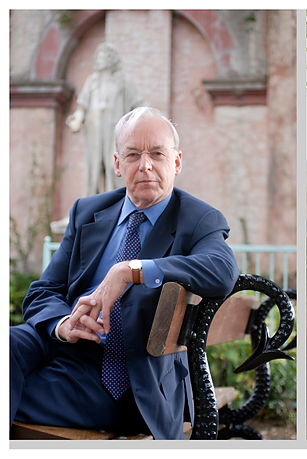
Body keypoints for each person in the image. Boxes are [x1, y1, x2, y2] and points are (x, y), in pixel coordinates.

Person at [10, 107, 239, 440]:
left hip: (124, 378)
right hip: (65, 345)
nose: (145, 165)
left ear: (176, 162)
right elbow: (42, 291)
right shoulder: (87, 211)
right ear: (118, 164)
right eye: (133, 154)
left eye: (157, 154)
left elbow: (222, 270)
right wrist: (63, 324)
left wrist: (132, 271)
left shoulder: (198, 219)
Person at [66, 43, 144, 195]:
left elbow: (138, 104)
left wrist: (149, 119)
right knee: (95, 167)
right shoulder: (92, 81)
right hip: (94, 129)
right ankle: (98, 202)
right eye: (98, 57)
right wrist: (77, 120)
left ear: (111, 59)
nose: (98, 60)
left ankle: (118, 200)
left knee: (112, 164)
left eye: (102, 57)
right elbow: (82, 106)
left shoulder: (124, 81)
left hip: (115, 130)